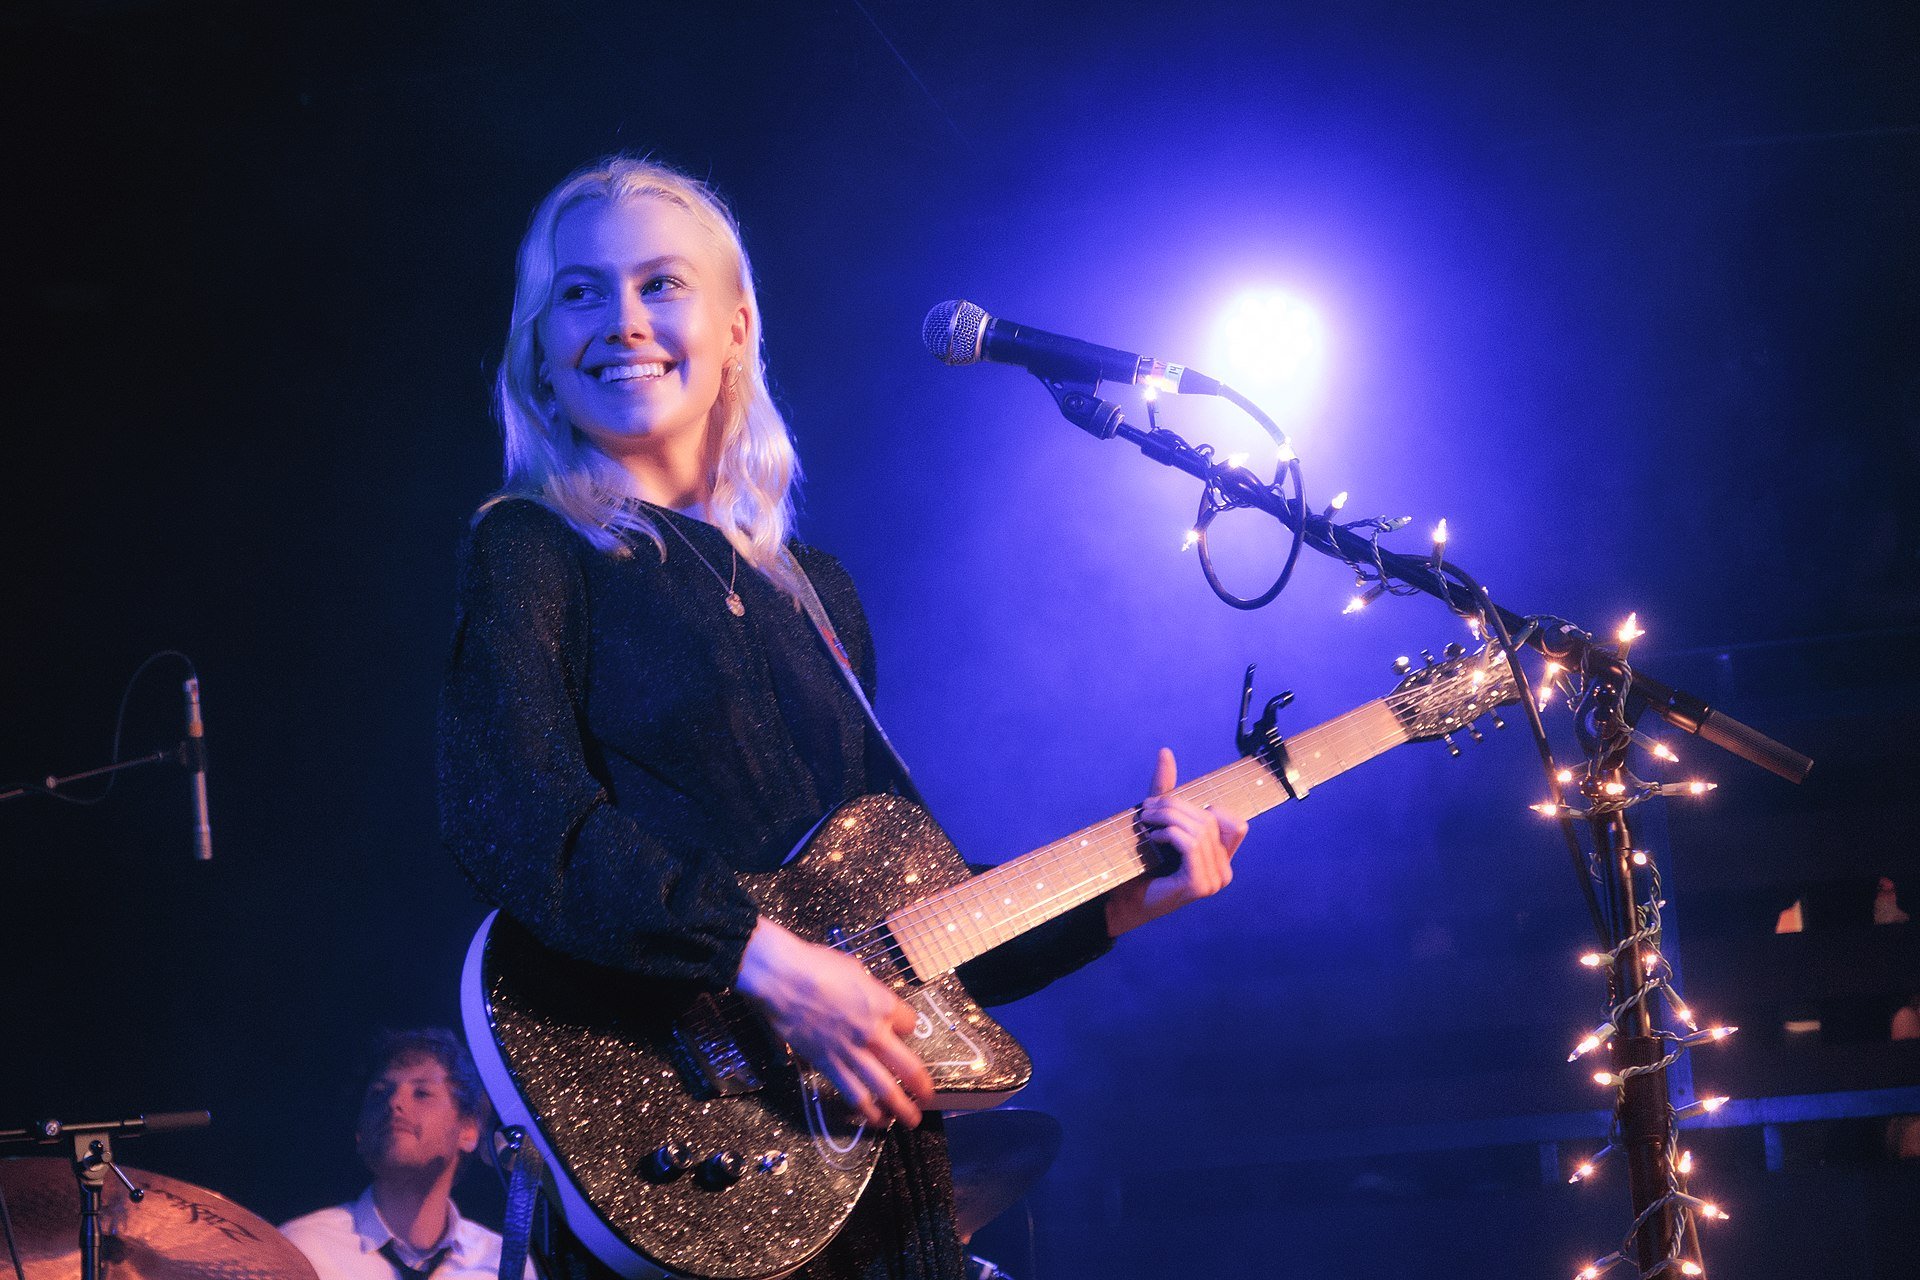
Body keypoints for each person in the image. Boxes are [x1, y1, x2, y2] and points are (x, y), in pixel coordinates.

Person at [436, 154, 1245, 1280]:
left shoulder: (814, 591)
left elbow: (925, 922)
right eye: (580, 292)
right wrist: (767, 964)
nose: (622, 320)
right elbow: (514, 815)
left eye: (660, 284)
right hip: (689, 1154)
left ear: (733, 328)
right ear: (539, 347)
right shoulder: (530, 548)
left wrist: (1135, 896)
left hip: (863, 1164)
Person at [281, 1030, 524, 1280]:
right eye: (379, 1093)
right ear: (360, 1134)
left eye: (421, 1093)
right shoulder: (301, 1249)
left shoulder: (505, 1265)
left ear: (469, 1131)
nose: (394, 1102)